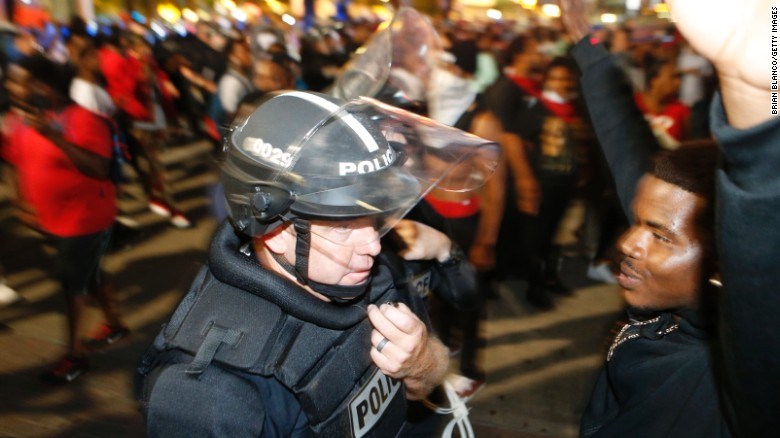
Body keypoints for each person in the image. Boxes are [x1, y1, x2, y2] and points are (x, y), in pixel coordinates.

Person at [135, 90, 499, 436]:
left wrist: (421, 363)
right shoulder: (209, 394)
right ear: (275, 232)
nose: (373, 244)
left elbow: (425, 378)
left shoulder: (367, 269)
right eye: (343, 227)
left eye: (375, 218)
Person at [562, 0, 780, 435]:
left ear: (727, 263)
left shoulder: (732, 380)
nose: (627, 242)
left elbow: (760, 235)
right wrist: (588, 47)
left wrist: (751, 92)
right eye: (638, 222)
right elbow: (624, 142)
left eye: (659, 236)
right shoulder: (670, 293)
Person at [5, 55, 129, 384]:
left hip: (86, 217)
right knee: (90, 271)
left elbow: (98, 168)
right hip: (54, 220)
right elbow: (18, 162)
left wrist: (54, 136)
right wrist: (22, 202)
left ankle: (75, 356)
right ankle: (115, 325)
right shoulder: (23, 120)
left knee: (72, 283)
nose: (10, 86)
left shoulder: (82, 119)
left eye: (18, 80)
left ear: (43, 85)